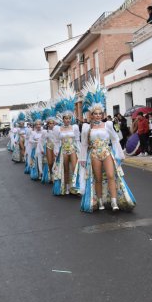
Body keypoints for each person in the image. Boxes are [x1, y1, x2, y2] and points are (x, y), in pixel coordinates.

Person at [79, 79, 136, 212]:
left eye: (100, 114)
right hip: (94, 154)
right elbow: (84, 144)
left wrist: (120, 154)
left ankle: (114, 202)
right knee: (97, 178)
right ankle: (100, 202)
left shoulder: (108, 125)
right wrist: (82, 158)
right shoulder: (87, 128)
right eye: (95, 114)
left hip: (106, 152)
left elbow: (115, 139)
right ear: (91, 115)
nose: (98, 116)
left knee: (111, 175)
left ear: (102, 114)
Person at [52, 89, 81, 195]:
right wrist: (56, 150)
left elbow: (77, 140)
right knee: (65, 169)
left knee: (74, 168)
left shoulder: (75, 128)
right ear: (62, 119)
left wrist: (80, 151)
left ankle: (75, 187)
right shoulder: (58, 129)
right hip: (64, 150)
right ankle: (67, 187)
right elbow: (56, 141)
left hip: (73, 149)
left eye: (69, 118)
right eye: (66, 118)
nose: (67, 120)